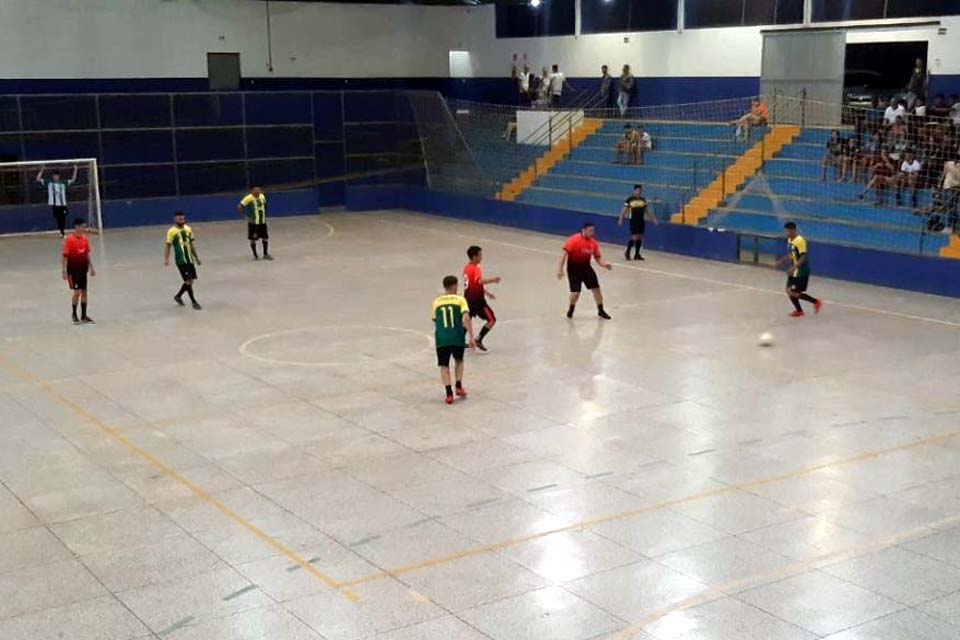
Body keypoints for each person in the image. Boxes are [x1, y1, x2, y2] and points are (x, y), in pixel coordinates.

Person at [432, 275, 476, 404]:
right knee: (459, 360)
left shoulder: (436, 302)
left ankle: (449, 394)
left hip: (441, 338)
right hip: (456, 336)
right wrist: (471, 337)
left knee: (444, 365)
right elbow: (466, 318)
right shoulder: (460, 300)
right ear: (455, 286)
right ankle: (458, 386)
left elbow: (435, 320)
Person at [557, 222, 613, 320]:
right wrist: (560, 269)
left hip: (586, 268)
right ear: (583, 230)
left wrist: (604, 265)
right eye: (590, 231)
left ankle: (601, 310)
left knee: (596, 289)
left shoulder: (593, 243)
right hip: (574, 269)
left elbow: (597, 257)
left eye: (593, 231)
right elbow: (564, 253)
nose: (592, 233)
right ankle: (571, 308)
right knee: (575, 294)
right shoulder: (574, 240)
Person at [775, 222, 822, 318]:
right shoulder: (790, 240)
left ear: (793, 231)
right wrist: (782, 261)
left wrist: (794, 267)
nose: (786, 233)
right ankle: (799, 310)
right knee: (789, 290)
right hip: (794, 271)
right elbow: (792, 254)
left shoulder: (800, 241)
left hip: (801, 271)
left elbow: (803, 257)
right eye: (785, 231)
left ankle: (816, 302)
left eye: (788, 231)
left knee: (793, 292)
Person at [463, 245, 501, 352]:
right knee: (492, 320)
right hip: (478, 301)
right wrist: (493, 280)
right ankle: (478, 339)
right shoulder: (476, 269)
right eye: (480, 255)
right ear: (474, 256)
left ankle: (459, 340)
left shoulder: (466, 268)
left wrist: (487, 293)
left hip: (468, 299)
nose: (482, 257)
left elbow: (473, 284)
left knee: (467, 319)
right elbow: (479, 281)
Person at [164, 211, 202, 310]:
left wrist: (196, 258)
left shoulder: (188, 229)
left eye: (183, 219)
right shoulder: (172, 232)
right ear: (175, 220)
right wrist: (166, 258)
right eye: (180, 219)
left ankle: (178, 296)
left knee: (191, 280)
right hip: (181, 261)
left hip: (189, 259)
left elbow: (191, 244)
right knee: (188, 280)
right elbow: (168, 245)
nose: (182, 221)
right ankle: (194, 302)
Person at [61, 217, 95, 324]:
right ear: (77, 227)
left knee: (84, 292)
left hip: (83, 270)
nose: (85, 229)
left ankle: (84, 316)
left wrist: (91, 267)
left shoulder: (85, 239)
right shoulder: (69, 240)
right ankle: (74, 314)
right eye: (83, 227)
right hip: (73, 271)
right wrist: (64, 271)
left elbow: (86, 254)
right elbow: (65, 256)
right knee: (77, 292)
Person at [618, 184, 659, 261]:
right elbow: (624, 210)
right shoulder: (630, 200)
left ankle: (637, 254)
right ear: (634, 191)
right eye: (638, 190)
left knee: (640, 237)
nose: (639, 192)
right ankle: (627, 251)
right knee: (635, 237)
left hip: (641, 220)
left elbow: (647, 210)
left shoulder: (643, 200)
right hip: (633, 220)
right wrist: (621, 219)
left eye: (640, 191)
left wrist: (653, 219)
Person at [36, 165, 78, 238]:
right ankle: (62, 232)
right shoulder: (49, 182)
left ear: (59, 176)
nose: (55, 177)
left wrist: (75, 170)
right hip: (55, 204)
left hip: (63, 204)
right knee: (58, 218)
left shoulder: (63, 182)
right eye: (54, 176)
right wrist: (42, 170)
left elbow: (73, 180)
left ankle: (62, 231)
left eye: (57, 176)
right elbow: (38, 179)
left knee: (63, 217)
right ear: (52, 176)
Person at [238, 186, 271, 260]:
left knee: (265, 237)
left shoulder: (262, 196)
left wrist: (265, 213)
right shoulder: (248, 198)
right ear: (252, 191)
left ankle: (265, 254)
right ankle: (255, 255)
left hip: (262, 221)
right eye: (256, 189)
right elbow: (240, 206)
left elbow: (265, 205)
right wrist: (245, 217)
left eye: (259, 189)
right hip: (253, 222)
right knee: (253, 238)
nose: (257, 191)